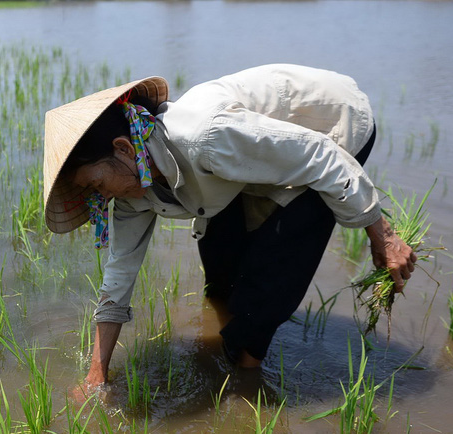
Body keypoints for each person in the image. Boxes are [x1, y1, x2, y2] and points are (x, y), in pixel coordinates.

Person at [42, 64, 416, 393]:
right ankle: (234, 342)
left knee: (273, 273)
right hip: (251, 159)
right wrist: (96, 376)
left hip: (331, 125)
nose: (99, 199)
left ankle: (245, 377)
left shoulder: (205, 137)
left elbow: (321, 156)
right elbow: (117, 279)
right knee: (220, 265)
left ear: (124, 149)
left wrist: (382, 235)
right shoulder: (132, 193)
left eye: (95, 185)